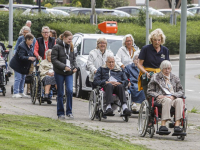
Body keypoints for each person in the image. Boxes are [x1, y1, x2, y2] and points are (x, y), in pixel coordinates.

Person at [147, 60, 184, 133]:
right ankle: (163, 125)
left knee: (179, 100)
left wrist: (174, 96)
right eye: (165, 68)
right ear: (161, 68)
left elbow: (181, 91)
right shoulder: (155, 77)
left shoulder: (175, 78)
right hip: (161, 99)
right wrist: (158, 95)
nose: (167, 70)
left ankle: (177, 125)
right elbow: (149, 91)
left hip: (172, 97)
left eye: (169, 68)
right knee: (167, 100)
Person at [51, 31, 77, 120]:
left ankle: (69, 112)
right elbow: (54, 60)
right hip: (60, 72)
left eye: (71, 39)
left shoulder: (71, 47)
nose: (70, 41)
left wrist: (75, 67)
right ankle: (60, 112)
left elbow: (73, 59)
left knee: (70, 90)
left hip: (69, 72)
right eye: (69, 39)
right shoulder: (56, 47)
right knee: (60, 92)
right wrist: (64, 66)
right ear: (64, 37)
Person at [137, 28, 170, 98]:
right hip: (148, 75)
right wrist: (146, 72)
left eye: (159, 40)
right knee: (151, 97)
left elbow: (168, 66)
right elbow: (139, 64)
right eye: (155, 40)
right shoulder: (145, 49)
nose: (157, 42)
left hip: (161, 76)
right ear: (151, 40)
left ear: (161, 40)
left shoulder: (165, 50)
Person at [10, 33, 36, 98]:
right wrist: (29, 58)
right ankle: (15, 92)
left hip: (23, 66)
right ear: (27, 40)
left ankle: (21, 92)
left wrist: (33, 58)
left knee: (23, 78)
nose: (32, 41)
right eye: (31, 40)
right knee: (18, 78)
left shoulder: (30, 46)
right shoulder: (22, 46)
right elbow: (21, 56)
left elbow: (30, 54)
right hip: (17, 65)